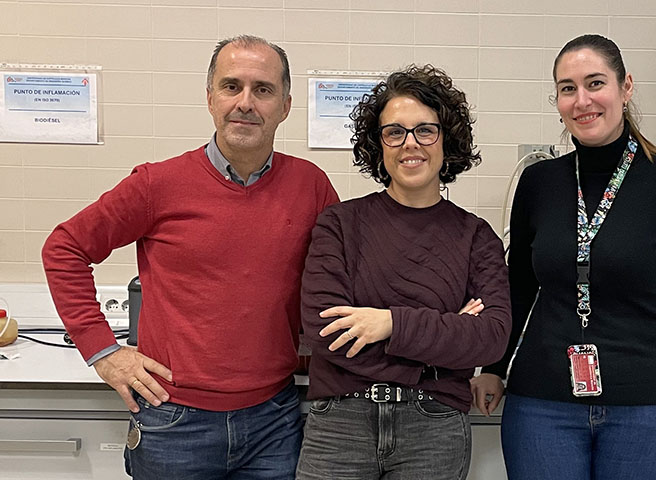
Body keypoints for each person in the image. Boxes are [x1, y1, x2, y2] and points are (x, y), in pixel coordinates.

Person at [41, 35, 338, 479]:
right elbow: (64, 248)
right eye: (231, 86)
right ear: (210, 98)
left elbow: (338, 274)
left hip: (274, 420)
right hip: (172, 421)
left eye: (263, 89)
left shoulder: (311, 186)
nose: (245, 102)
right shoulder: (155, 185)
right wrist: (103, 352)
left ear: (286, 105)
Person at [470, 34, 656, 480]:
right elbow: (518, 283)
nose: (582, 100)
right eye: (567, 88)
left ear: (626, 87)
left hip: (649, 404)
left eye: (595, 83)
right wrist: (494, 368)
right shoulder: (539, 182)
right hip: (544, 402)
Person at [297, 64, 511, 480]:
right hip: (341, 422)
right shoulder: (339, 224)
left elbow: (491, 337)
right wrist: (439, 352)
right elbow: (325, 330)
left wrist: (389, 323)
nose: (409, 143)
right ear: (379, 146)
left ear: (447, 139)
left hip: (432, 426)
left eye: (425, 130)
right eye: (394, 132)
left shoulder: (476, 237)